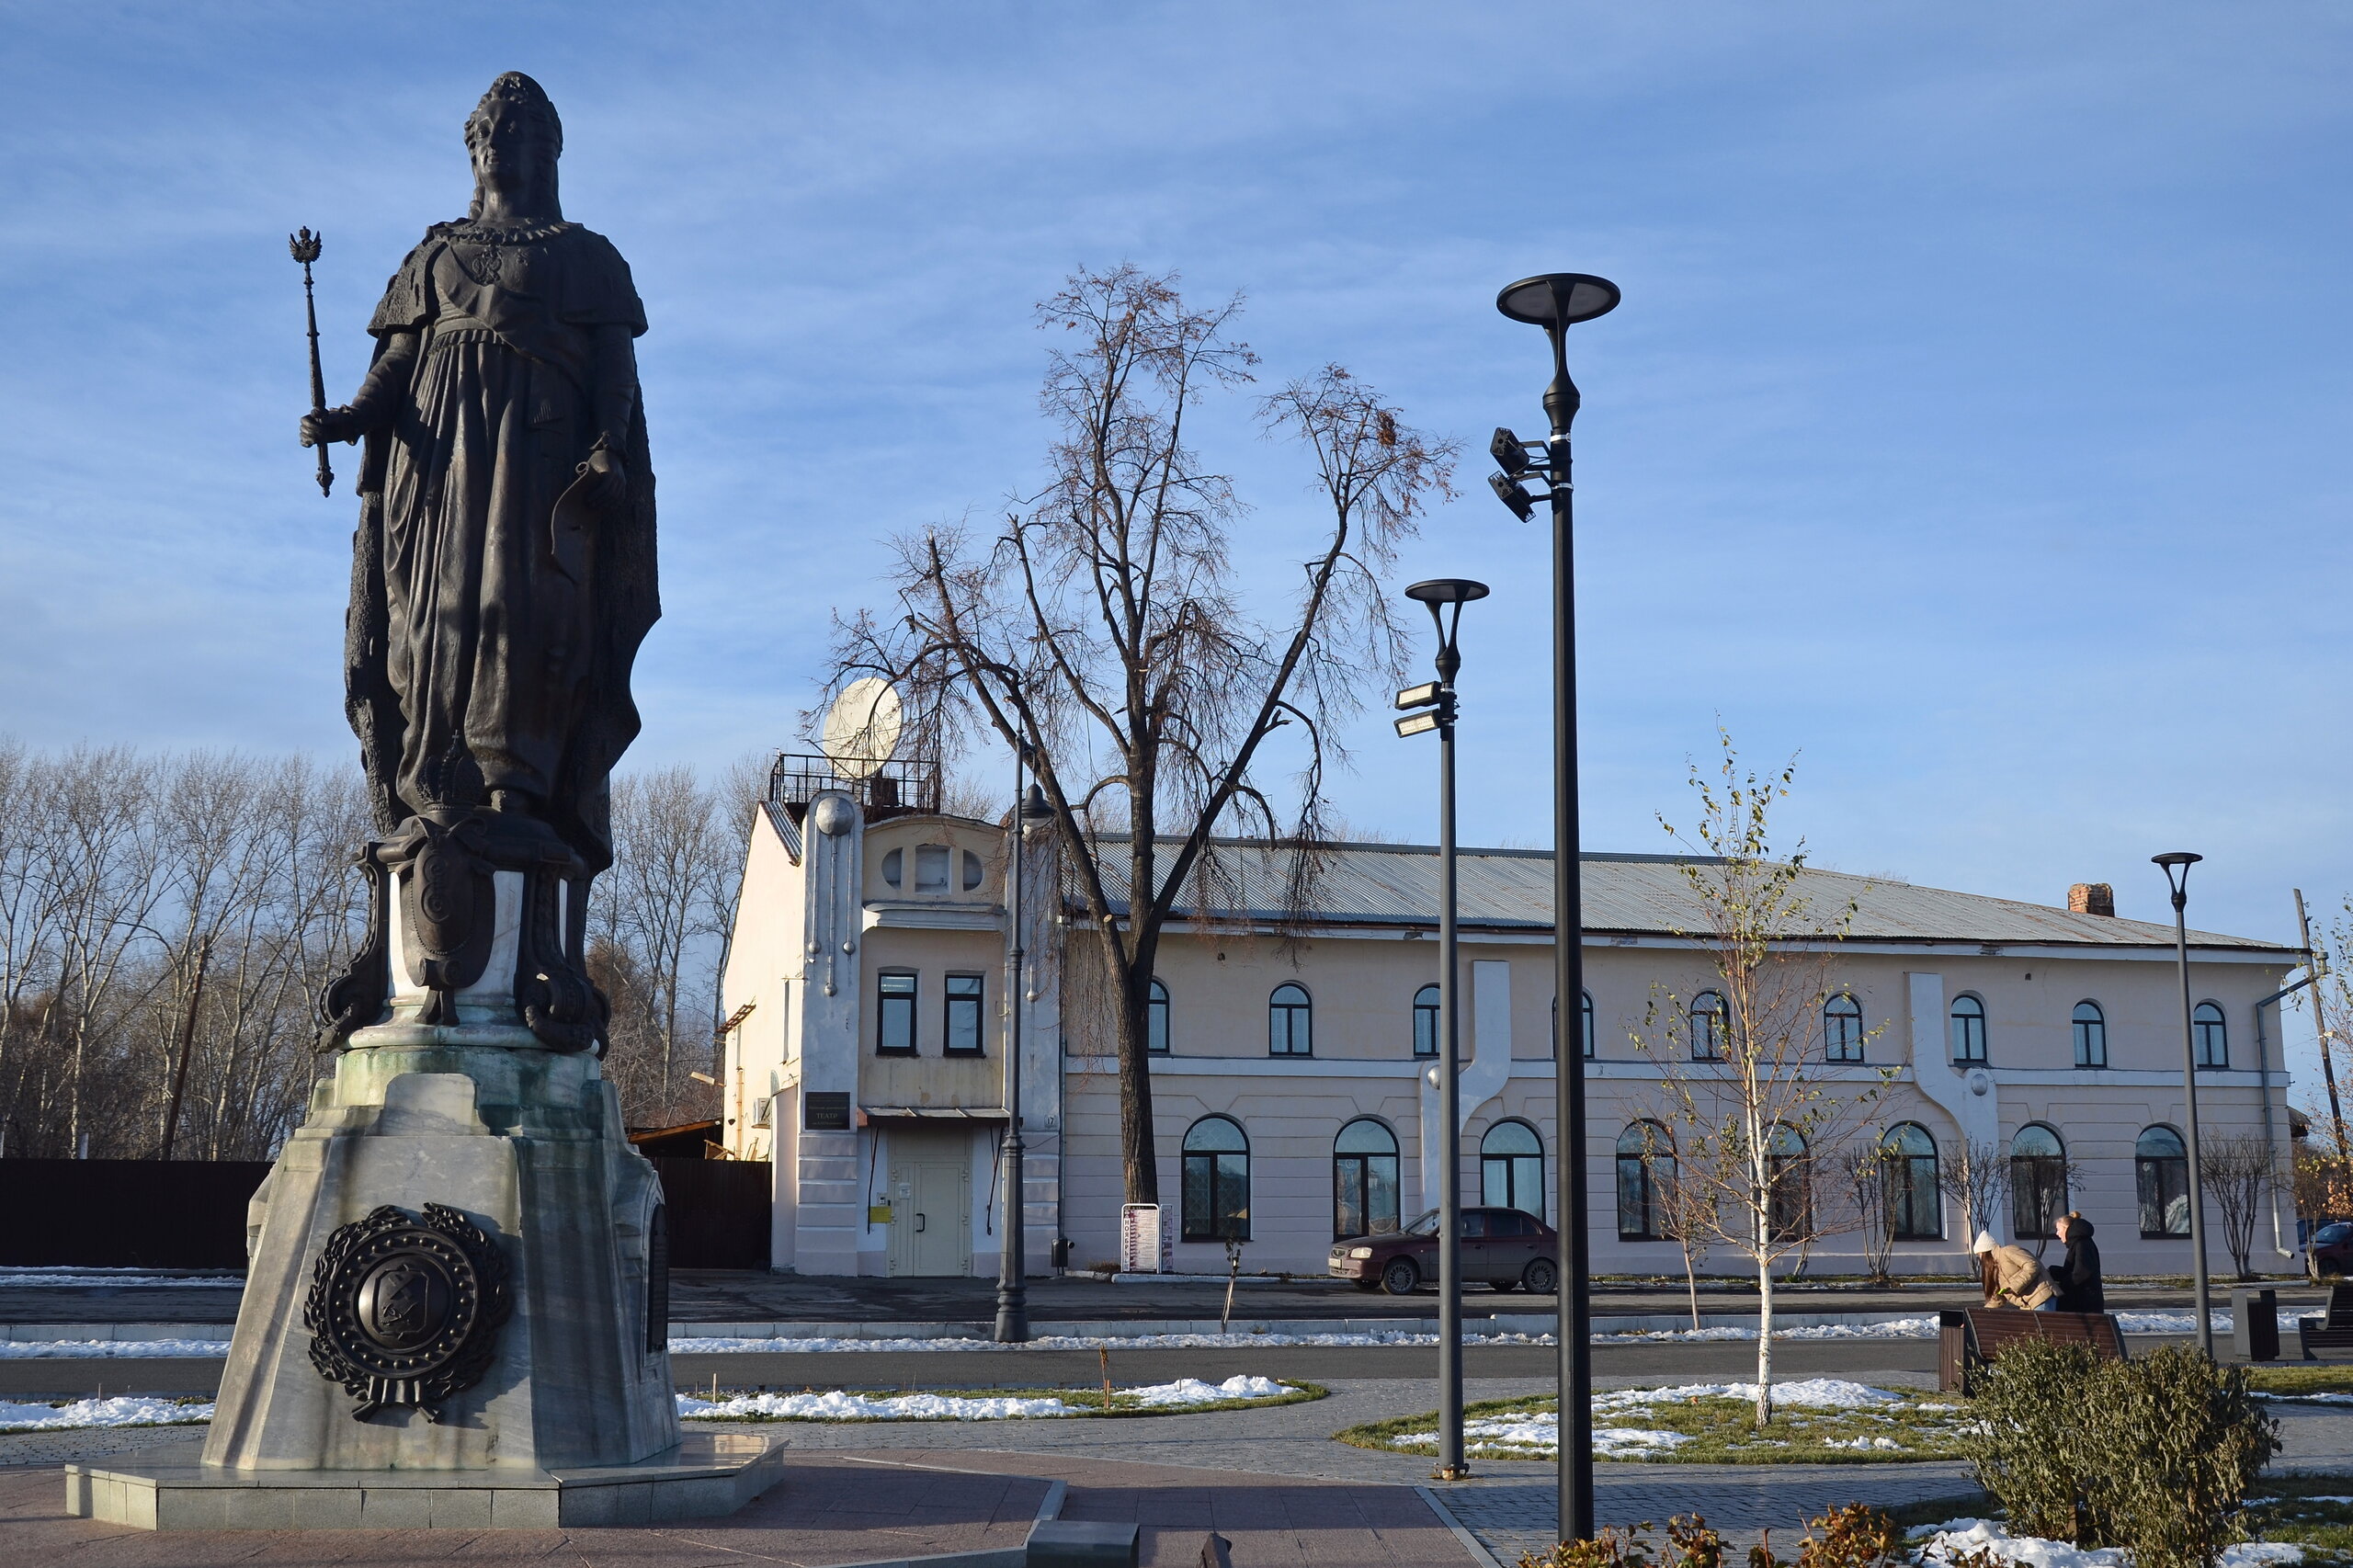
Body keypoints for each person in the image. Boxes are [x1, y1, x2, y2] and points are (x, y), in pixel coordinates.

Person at [1974, 1229, 2057, 1311]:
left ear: (1986, 1252)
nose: (1980, 1258)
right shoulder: (1995, 1268)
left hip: (2041, 1298)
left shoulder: (2008, 1251)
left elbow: (2032, 1265)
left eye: (1980, 1254)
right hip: (2026, 1305)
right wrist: (1982, 1313)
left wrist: (2013, 1286)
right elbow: (1997, 1298)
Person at [2046, 1211, 2105, 1313]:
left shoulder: (2081, 1244)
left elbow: (2082, 1272)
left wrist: (2062, 1285)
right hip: (2084, 1302)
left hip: (2083, 1303)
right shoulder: (2080, 1243)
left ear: (2066, 1229)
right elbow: (2073, 1270)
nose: (2057, 1233)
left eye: (2058, 1229)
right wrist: (2053, 1271)